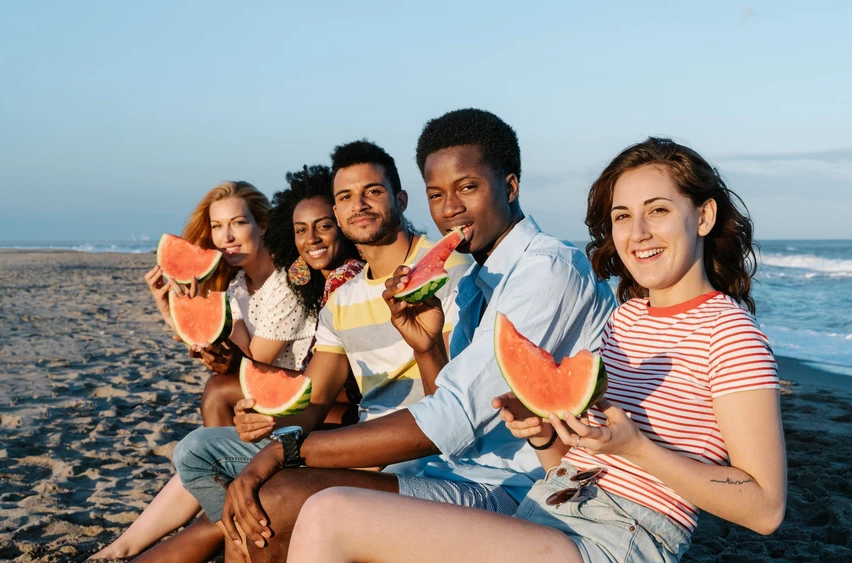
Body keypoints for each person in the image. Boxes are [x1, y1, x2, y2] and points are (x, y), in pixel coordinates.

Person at [284, 137, 787, 563]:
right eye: (622, 216)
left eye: (657, 211)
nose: (637, 234)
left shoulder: (731, 335)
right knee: (326, 511)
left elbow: (765, 509)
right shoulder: (627, 318)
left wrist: (637, 448)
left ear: (703, 216)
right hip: (552, 507)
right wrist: (545, 436)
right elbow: (575, 463)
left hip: (620, 540)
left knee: (329, 514)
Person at [217, 109, 616, 563]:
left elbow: (453, 418)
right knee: (263, 511)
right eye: (436, 194)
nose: (450, 209)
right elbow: (451, 408)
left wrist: (285, 449)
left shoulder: (547, 271)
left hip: (521, 492)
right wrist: (426, 347)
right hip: (460, 472)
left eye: (468, 187)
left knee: (277, 496)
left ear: (509, 187)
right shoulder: (473, 283)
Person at [168, 140, 471, 563]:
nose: (358, 205)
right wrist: (269, 417)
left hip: (417, 451)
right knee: (196, 451)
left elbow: (454, 404)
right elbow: (313, 400)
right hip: (356, 445)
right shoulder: (341, 299)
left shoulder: (454, 273)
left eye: (373, 191)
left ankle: (260, 543)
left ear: (400, 199)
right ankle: (259, 543)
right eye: (345, 197)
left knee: (265, 495)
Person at [91, 172, 362, 561]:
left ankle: (195, 515)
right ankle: (141, 537)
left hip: (313, 402)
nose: (227, 236)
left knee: (218, 393)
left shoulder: (287, 282)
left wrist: (207, 336)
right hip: (278, 400)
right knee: (216, 397)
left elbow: (252, 367)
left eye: (238, 223)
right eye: (218, 227)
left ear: (263, 226)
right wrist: (171, 310)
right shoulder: (237, 285)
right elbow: (215, 350)